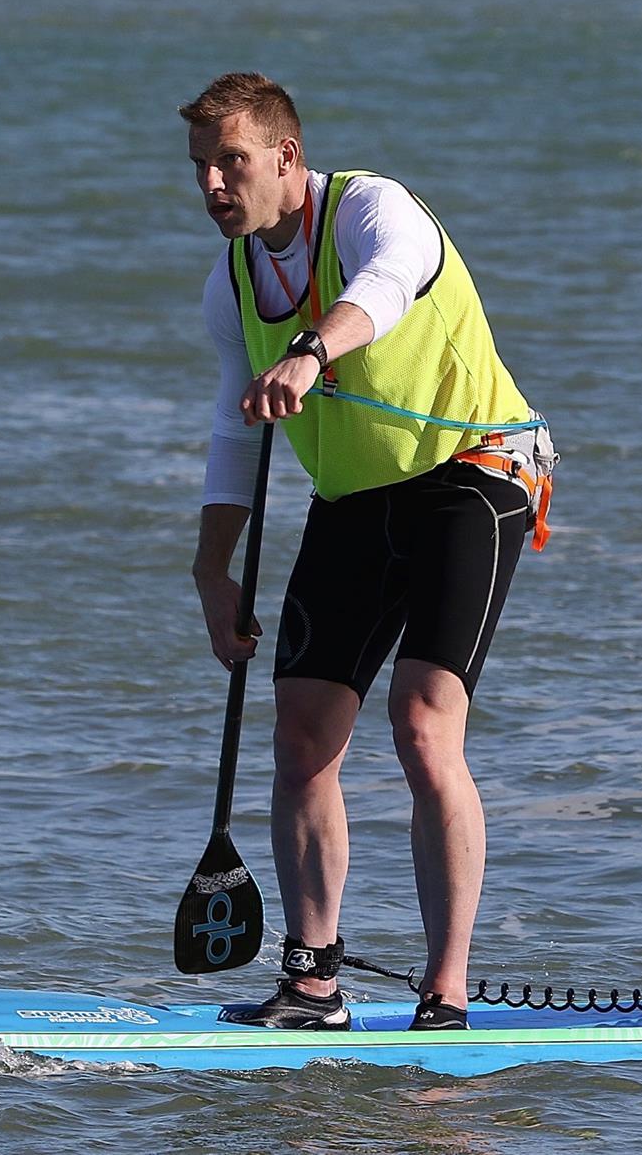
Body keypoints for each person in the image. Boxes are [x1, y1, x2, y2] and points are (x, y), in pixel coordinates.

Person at [181, 73, 556, 1033]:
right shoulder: (230, 281)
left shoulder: (374, 209)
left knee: (424, 723)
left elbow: (384, 291)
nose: (216, 185)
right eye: (202, 169)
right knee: (302, 733)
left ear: (286, 158)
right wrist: (212, 570)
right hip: (356, 498)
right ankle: (313, 982)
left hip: (473, 472)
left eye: (234, 162)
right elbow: (236, 433)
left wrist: (311, 352)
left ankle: (446, 989)